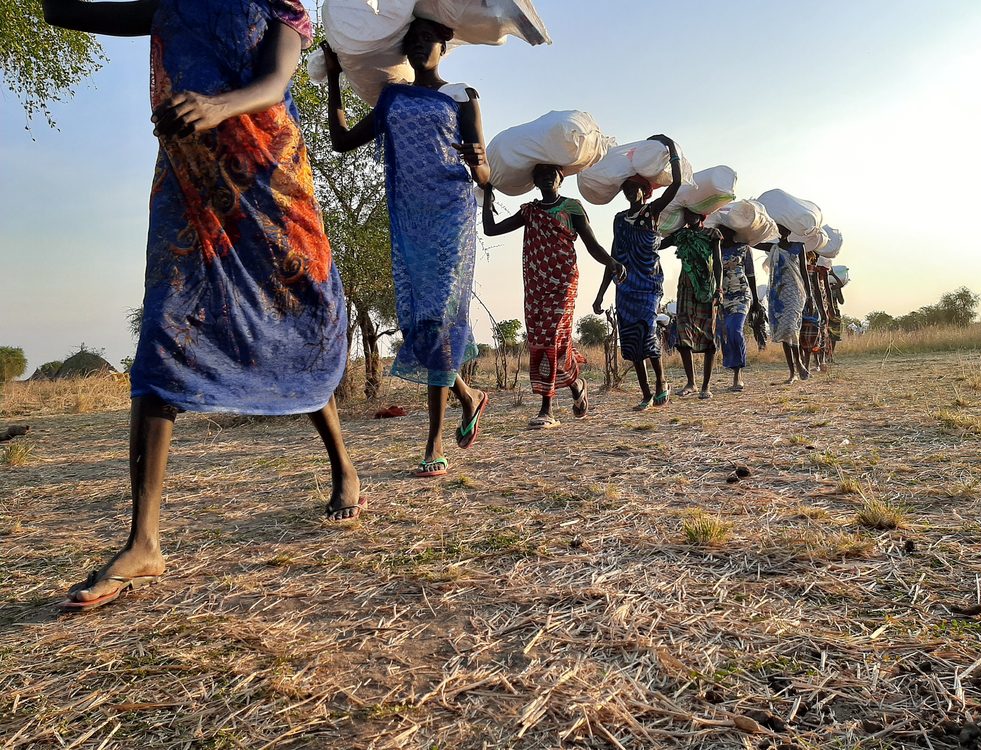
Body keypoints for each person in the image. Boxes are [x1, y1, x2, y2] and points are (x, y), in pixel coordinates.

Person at [43, 0, 360, 611]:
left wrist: (217, 107)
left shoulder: (277, 6)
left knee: (295, 321)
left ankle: (343, 466)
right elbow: (67, 12)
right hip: (189, 178)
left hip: (267, 178)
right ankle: (144, 541)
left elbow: (274, 83)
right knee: (165, 327)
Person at [322, 18, 489, 477]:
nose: (418, 46)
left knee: (437, 318)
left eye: (426, 39)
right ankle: (468, 395)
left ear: (444, 46)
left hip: (451, 213)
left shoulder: (462, 95)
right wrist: (334, 77)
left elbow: (484, 175)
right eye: (411, 40)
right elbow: (341, 142)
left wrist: (479, 162)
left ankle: (434, 441)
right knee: (421, 321)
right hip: (411, 219)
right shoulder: (393, 98)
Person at [482, 165, 625, 428]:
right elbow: (491, 230)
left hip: (564, 281)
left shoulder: (572, 207)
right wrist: (487, 198)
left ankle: (546, 409)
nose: (547, 177)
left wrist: (612, 262)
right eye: (541, 174)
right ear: (534, 181)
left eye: (552, 173)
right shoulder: (529, 211)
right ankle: (576, 384)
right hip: (536, 285)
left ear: (561, 178)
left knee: (552, 338)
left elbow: (591, 244)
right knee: (542, 340)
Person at [593, 136, 684, 411]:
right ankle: (645, 393)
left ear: (645, 191)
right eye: (627, 189)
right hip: (625, 286)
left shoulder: (651, 213)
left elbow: (676, 184)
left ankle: (661, 382)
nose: (631, 192)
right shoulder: (619, 219)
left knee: (647, 333)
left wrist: (671, 147)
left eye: (635, 188)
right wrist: (600, 294)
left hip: (649, 284)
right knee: (632, 341)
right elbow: (613, 257)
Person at [666, 209, 723, 399]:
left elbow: (717, 263)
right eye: (686, 214)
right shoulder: (681, 235)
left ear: (701, 215)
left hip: (706, 288)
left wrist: (719, 289)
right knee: (683, 334)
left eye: (692, 213)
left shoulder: (712, 234)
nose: (689, 217)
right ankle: (691, 383)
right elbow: (658, 244)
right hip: (686, 288)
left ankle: (706, 385)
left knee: (708, 335)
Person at [761, 225, 814, 384]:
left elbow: (804, 272)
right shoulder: (773, 247)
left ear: (790, 230)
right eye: (779, 228)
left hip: (795, 293)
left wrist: (810, 296)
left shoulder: (799, 247)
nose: (782, 231)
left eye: (785, 228)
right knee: (784, 331)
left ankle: (799, 363)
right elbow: (753, 243)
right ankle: (793, 372)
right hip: (778, 294)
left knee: (791, 327)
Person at [717, 227, 762, 391]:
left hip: (742, 295)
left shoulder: (744, 248)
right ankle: (732, 368)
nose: (724, 234)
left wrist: (756, 300)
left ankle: (738, 374)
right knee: (724, 334)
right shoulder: (716, 249)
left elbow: (751, 275)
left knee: (735, 329)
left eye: (727, 230)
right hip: (722, 297)